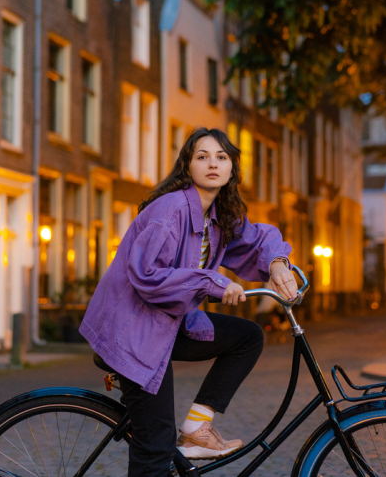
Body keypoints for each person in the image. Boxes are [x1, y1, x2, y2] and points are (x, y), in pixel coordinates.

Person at [80, 127, 297, 476]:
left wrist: (276, 263)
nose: (212, 164)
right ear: (188, 166)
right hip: (133, 333)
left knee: (247, 337)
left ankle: (197, 427)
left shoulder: (218, 216)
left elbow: (258, 240)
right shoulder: (171, 210)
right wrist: (212, 281)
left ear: (231, 170)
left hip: (166, 326)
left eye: (221, 157)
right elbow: (147, 275)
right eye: (202, 156)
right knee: (156, 446)